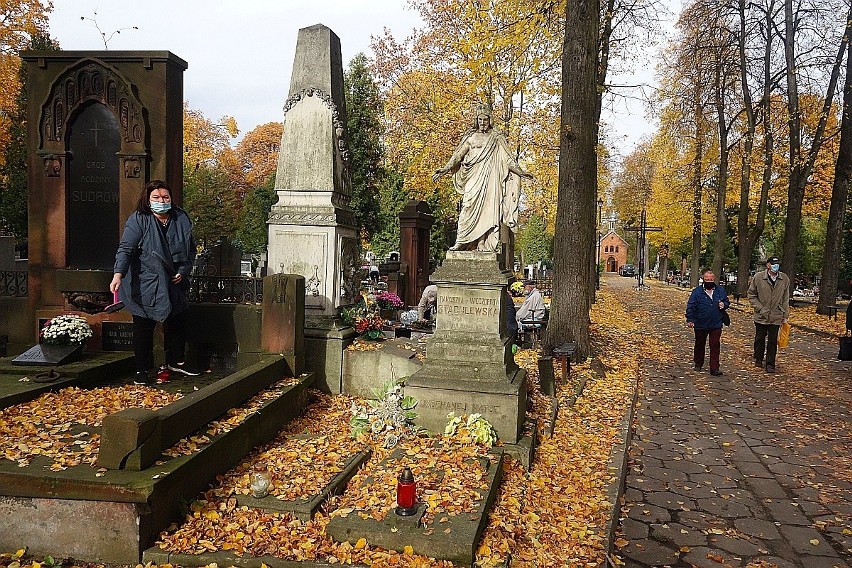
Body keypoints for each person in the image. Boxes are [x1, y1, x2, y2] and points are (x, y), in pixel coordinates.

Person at [111, 180, 199, 385]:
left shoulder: (181, 218)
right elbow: (126, 249)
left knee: (178, 321)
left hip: (174, 280)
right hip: (145, 281)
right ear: (148, 200)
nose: (162, 201)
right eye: (156, 198)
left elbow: (190, 249)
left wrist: (183, 271)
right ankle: (141, 369)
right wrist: (118, 274)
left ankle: (177, 361)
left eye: (165, 197)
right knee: (143, 326)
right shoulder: (139, 220)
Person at [432, 103, 533, 252]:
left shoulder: (496, 138)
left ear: (490, 120)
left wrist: (520, 172)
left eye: (485, 119)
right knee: (467, 206)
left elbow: (507, 159)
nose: (483, 122)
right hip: (474, 177)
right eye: (480, 119)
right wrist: (446, 168)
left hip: (491, 180)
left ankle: (482, 242)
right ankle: (462, 240)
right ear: (476, 120)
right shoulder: (471, 137)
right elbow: (458, 155)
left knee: (489, 211)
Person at [747, 256, 790, 373]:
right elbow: (751, 295)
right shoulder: (759, 277)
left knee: (772, 340)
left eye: (778, 264)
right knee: (759, 338)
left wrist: (785, 314)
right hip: (761, 315)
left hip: (776, 314)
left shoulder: (784, 279)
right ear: (768, 265)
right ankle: (758, 358)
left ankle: (770, 364)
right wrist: (760, 308)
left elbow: (786, 297)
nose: (776, 266)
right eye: (773, 264)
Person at [685, 270, 730, 376]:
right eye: (707, 279)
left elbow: (727, 301)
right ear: (703, 280)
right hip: (701, 322)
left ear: (714, 279)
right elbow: (691, 306)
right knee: (700, 344)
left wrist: (724, 304)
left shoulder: (720, 291)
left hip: (716, 322)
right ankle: (698, 363)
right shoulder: (697, 292)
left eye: (711, 279)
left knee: (715, 345)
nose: (709, 281)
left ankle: (714, 368)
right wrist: (690, 319)